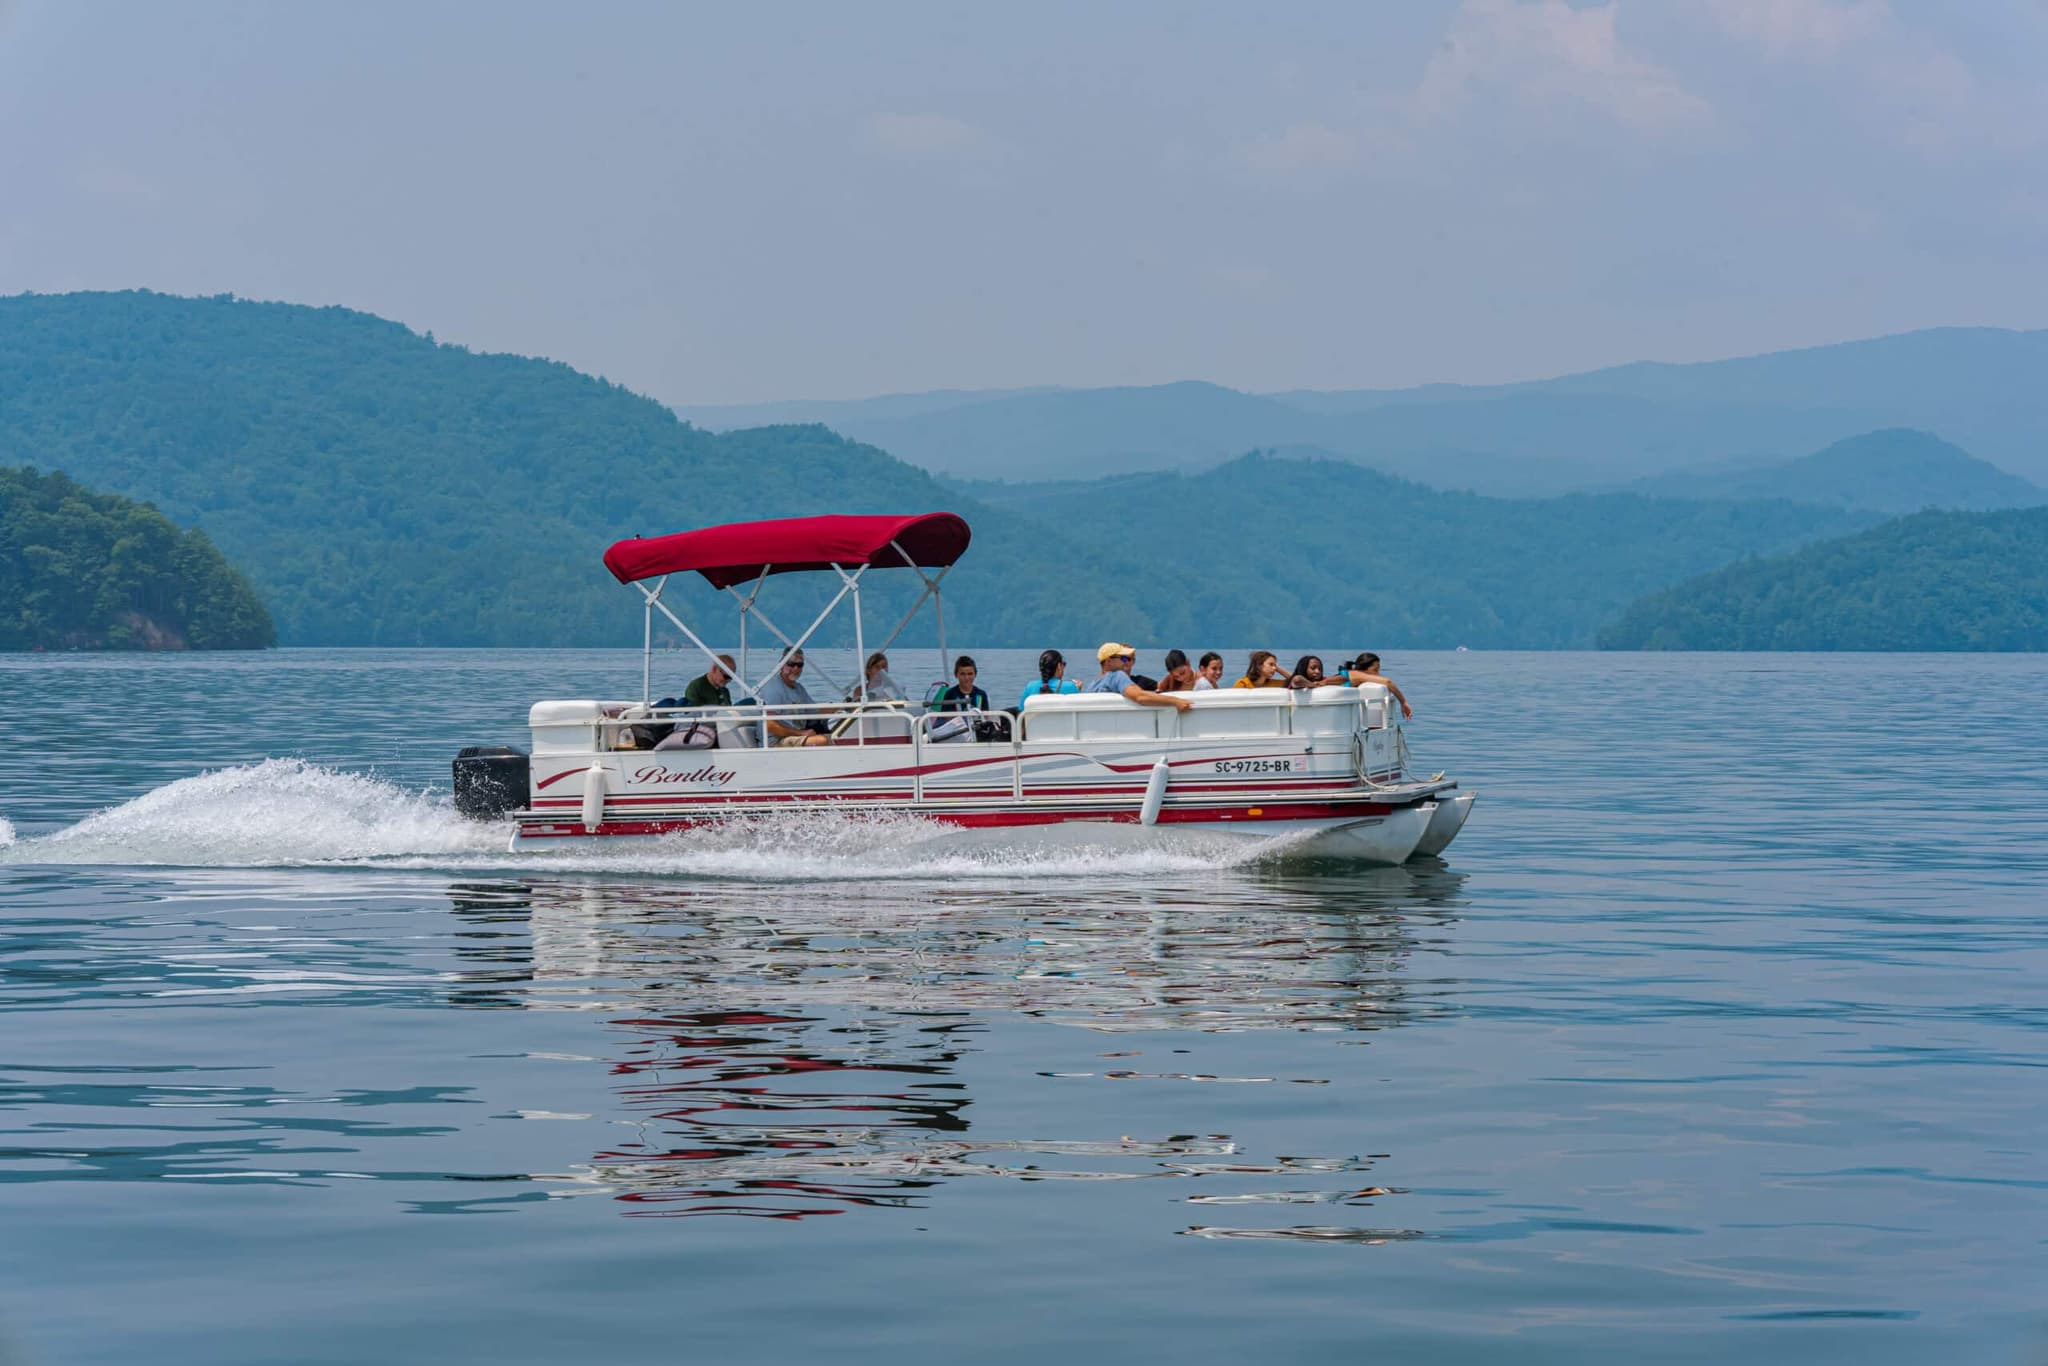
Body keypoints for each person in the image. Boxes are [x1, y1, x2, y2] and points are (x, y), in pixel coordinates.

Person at [1086, 642, 1192, 713]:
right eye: (1122, 658)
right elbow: (1140, 697)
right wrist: (1175, 701)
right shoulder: (1117, 675)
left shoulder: (1093, 684)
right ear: (1109, 661)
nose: (1125, 662)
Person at [756, 648, 832, 746]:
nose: (796, 668)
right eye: (791, 664)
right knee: (821, 741)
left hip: (795, 735)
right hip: (776, 741)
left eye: (800, 665)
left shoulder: (798, 688)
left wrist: (844, 708)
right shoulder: (773, 688)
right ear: (782, 665)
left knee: (836, 736)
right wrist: (801, 733)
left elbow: (815, 711)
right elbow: (769, 725)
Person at [1341, 651, 1414, 719]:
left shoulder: (1350, 674)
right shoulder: (1358, 675)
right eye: (1375, 670)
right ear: (1363, 669)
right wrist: (1403, 702)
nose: (1378, 674)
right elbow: (1388, 682)